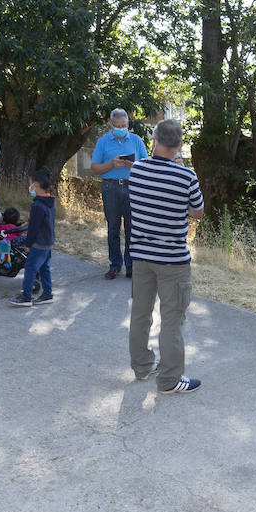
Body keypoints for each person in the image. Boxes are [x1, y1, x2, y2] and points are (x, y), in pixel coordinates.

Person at [128, 119, 204, 394]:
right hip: (172, 258)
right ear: (180, 146)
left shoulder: (137, 169)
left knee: (140, 313)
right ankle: (170, 380)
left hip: (141, 255)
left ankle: (142, 366)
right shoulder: (186, 176)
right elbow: (198, 212)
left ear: (154, 140)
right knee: (172, 318)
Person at [90, 108, 149, 279]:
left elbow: (147, 167)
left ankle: (131, 267)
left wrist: (134, 166)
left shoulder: (136, 140)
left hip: (133, 187)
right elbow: (94, 169)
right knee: (113, 228)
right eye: (117, 126)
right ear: (111, 124)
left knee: (132, 228)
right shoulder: (103, 141)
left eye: (123, 125)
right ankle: (115, 265)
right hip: (111, 188)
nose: (121, 128)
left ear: (128, 124)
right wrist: (110, 165)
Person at [9, 169, 56, 306]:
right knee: (44, 268)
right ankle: (47, 294)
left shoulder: (37, 205)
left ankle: (26, 296)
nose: (29, 187)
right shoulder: (49, 202)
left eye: (30, 183)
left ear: (35, 184)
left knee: (30, 267)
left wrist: (28, 244)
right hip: (47, 241)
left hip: (38, 243)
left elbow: (34, 228)